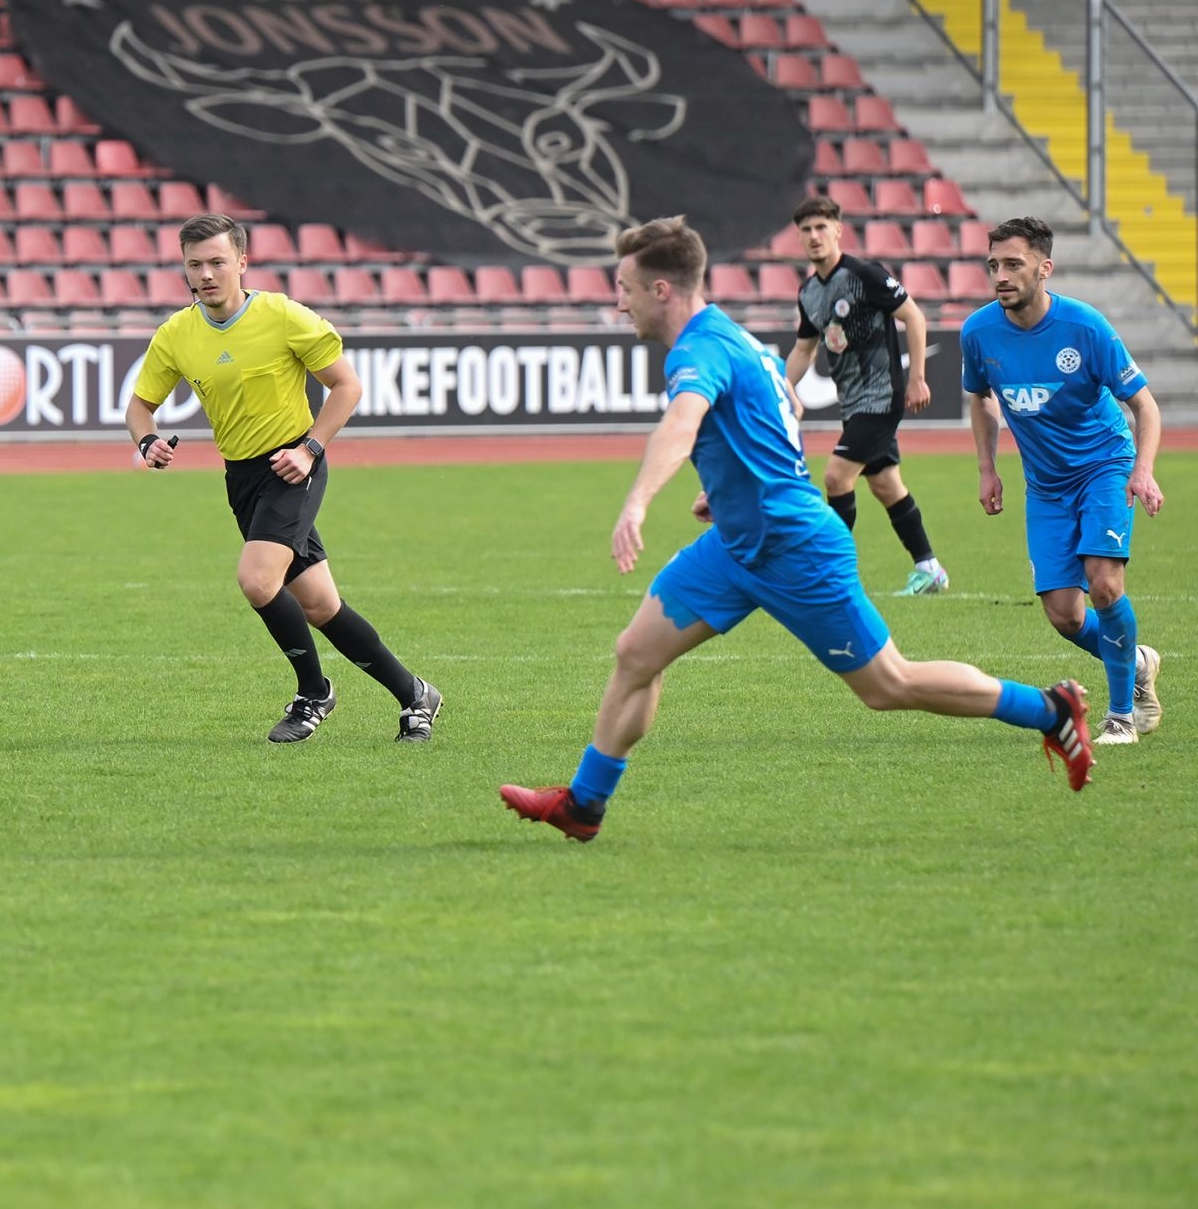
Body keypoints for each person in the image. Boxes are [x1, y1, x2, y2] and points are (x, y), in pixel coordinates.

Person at [500, 217, 1096, 842]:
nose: (618, 302)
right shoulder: (735, 339)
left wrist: (637, 503)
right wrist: (728, 488)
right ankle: (584, 805)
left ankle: (1050, 709)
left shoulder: (698, 351)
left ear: (661, 290)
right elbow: (787, 409)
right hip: (736, 546)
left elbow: (681, 424)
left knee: (888, 685)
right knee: (636, 656)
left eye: (624, 288)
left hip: (796, 548)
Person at [126, 213, 442, 743]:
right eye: (195, 265)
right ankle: (415, 694)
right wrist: (146, 440)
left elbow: (346, 386)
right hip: (241, 478)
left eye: (217, 262)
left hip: (293, 467)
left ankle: (313, 692)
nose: (206, 274)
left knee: (257, 580)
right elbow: (140, 406)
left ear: (242, 263)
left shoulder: (283, 315)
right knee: (320, 605)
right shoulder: (176, 334)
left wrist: (310, 449)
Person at [962, 216, 1165, 745]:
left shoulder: (1085, 328)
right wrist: (987, 468)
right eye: (993, 265)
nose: (1000, 276)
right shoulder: (978, 332)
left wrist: (1142, 471)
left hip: (1104, 466)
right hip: (1046, 485)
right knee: (1064, 615)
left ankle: (1121, 715)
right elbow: (981, 398)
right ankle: (1137, 661)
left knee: (1104, 582)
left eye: (1014, 264)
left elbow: (1145, 406)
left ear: (1044, 268)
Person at [784, 195, 949, 595]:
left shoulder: (865, 274)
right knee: (886, 484)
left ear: (838, 230)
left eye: (821, 227)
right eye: (806, 230)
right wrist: (782, 388)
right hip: (853, 402)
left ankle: (832, 573)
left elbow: (913, 316)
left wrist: (918, 378)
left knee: (836, 476)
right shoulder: (809, 293)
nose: (814, 236)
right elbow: (804, 349)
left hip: (881, 396)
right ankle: (929, 569)